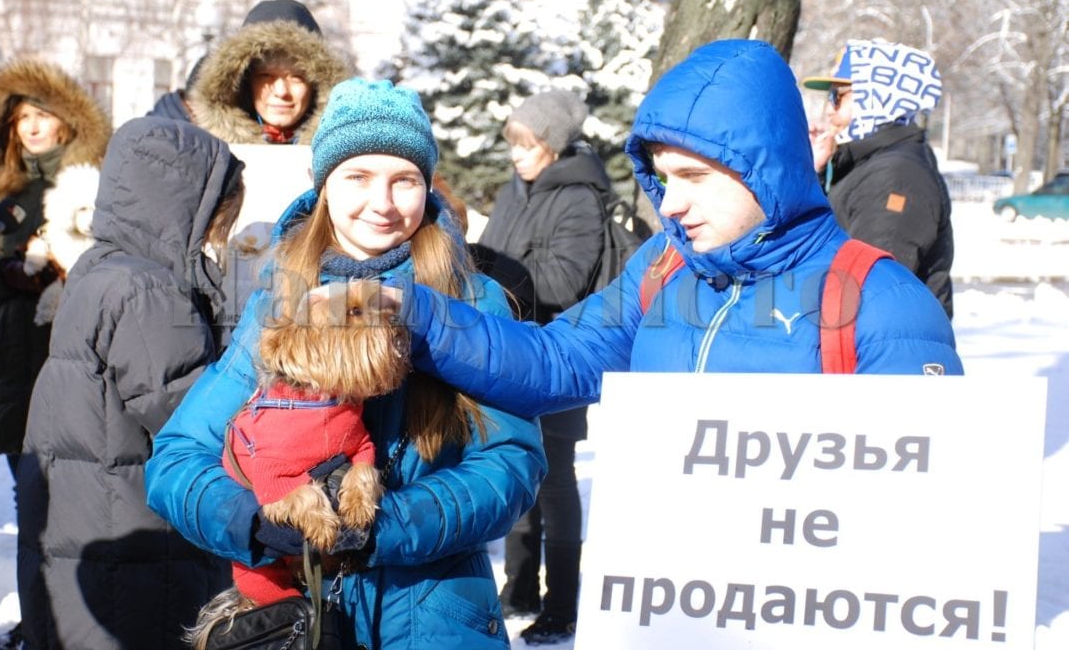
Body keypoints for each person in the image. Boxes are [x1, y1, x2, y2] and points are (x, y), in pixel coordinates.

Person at [145, 78, 547, 650]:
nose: (381, 203)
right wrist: (252, 521)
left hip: (432, 624)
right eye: (357, 177)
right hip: (299, 623)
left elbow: (512, 463)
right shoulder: (280, 300)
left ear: (426, 186)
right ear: (325, 186)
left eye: (403, 180)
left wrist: (388, 525)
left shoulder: (470, 301)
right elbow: (176, 459)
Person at [385, 39, 962, 424]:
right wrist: (414, 314)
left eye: (694, 176)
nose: (673, 204)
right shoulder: (664, 265)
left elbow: (920, 507)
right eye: (664, 178)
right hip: (668, 600)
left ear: (768, 168)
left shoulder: (886, 302)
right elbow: (554, 360)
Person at [14, 117, 245, 650]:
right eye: (219, 213)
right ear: (185, 204)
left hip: (93, 533)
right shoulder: (147, 291)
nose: (221, 232)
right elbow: (191, 416)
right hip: (138, 556)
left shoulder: (103, 269)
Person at [0, 56, 110, 650]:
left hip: (66, 357)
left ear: (66, 122)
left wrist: (54, 267)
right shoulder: (5, 195)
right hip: (11, 363)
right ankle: (39, 621)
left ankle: (66, 624)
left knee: (67, 503)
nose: (30, 127)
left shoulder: (87, 186)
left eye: (41, 115)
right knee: (31, 506)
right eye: (21, 117)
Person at [475, 89, 608, 644]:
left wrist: (495, 269)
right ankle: (521, 584)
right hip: (510, 352)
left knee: (554, 483)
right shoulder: (515, 191)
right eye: (512, 144)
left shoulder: (579, 197)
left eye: (525, 145)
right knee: (519, 467)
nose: (516, 155)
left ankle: (564, 603)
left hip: (556, 355)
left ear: (552, 146)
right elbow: (488, 253)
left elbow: (562, 281)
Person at [804, 39, 955, 318]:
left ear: (878, 96)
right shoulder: (863, 165)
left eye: (838, 96)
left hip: (884, 356)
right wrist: (812, 171)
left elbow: (868, 293)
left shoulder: (896, 177)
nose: (828, 110)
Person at [187, 0, 353, 145]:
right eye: (265, 76)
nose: (281, 92)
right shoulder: (206, 152)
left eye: (296, 77)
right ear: (243, 83)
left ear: (318, 86)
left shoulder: (345, 153)